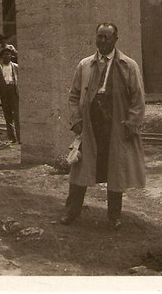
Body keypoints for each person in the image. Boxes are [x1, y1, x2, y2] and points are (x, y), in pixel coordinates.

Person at [60, 23, 146, 228]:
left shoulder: (128, 65)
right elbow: (73, 95)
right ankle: (71, 213)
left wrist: (130, 125)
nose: (102, 41)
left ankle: (114, 217)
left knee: (115, 170)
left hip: (116, 124)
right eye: (99, 37)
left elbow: (137, 99)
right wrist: (77, 121)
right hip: (91, 124)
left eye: (107, 37)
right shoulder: (84, 65)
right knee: (80, 167)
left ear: (116, 39)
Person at [0, 44, 20, 144]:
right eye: (5, 54)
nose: (7, 56)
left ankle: (20, 138)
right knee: (7, 115)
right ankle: (12, 137)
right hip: (3, 91)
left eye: (9, 54)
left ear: (11, 56)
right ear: (1, 56)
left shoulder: (15, 67)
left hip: (13, 90)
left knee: (17, 115)